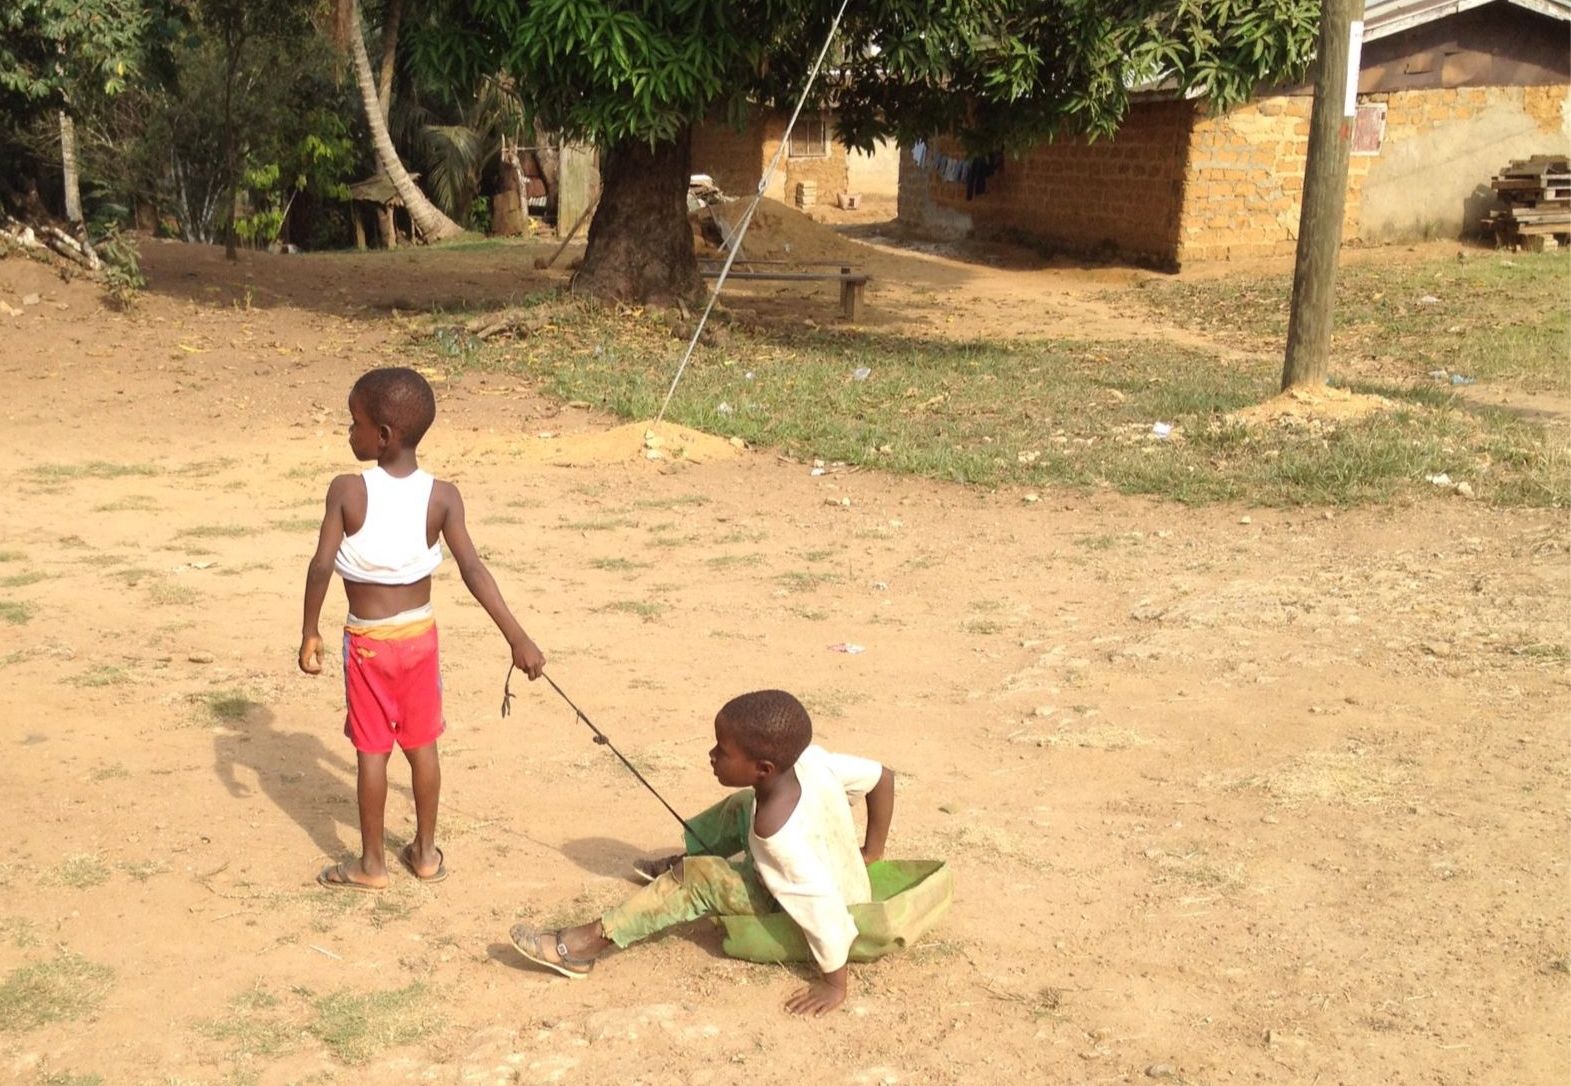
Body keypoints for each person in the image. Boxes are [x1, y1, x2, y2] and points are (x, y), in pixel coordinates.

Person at [298, 366, 546, 891]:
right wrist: (517, 637)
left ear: (383, 436)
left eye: (355, 422)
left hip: (368, 646)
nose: (349, 431)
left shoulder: (346, 491)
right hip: (419, 643)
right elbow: (474, 569)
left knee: (372, 752)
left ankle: (371, 864)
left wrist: (310, 630)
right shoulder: (443, 496)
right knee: (422, 747)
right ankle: (427, 853)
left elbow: (320, 567)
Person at [509, 689, 895, 1016]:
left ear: (763, 768)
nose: (712, 755)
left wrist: (834, 985)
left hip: (811, 913)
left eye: (722, 751)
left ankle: (585, 945)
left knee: (698, 880)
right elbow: (882, 777)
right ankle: (684, 859)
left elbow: (825, 912)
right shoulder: (809, 761)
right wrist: (872, 851)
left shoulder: (781, 839)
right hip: (840, 878)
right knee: (742, 805)